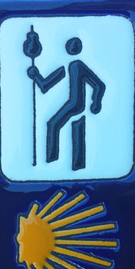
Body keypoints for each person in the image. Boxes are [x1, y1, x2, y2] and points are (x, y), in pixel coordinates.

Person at [27, 37, 106, 170]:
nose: (72, 47)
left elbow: (99, 85)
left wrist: (96, 102)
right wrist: (35, 76)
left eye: (75, 45)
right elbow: (45, 85)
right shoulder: (65, 66)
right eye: (71, 45)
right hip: (74, 104)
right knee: (55, 124)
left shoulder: (77, 66)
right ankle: (56, 160)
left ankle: (55, 159)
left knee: (54, 124)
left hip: (75, 104)